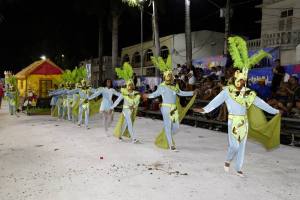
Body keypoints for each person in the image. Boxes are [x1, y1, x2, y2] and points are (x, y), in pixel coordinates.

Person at [194, 36, 281, 177]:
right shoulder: (227, 91)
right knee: (234, 146)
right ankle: (228, 160)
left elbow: (261, 103)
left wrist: (275, 110)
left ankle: (239, 168)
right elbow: (216, 101)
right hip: (232, 121)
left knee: (242, 147)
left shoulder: (249, 93)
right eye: (240, 80)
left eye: (244, 81)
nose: (242, 82)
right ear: (235, 79)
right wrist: (204, 109)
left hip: (244, 122)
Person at [143, 55, 197, 151]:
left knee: (176, 127)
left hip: (174, 108)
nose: (170, 76)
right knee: (168, 126)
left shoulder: (175, 85)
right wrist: (147, 96)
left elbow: (181, 93)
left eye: (171, 75)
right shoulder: (162, 86)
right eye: (168, 75)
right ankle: (171, 145)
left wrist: (192, 92)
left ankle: (165, 137)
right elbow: (155, 94)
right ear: (164, 76)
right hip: (166, 108)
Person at [111, 62, 141, 143]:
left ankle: (120, 135)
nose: (130, 86)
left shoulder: (135, 93)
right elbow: (117, 101)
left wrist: (133, 107)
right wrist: (112, 107)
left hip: (131, 110)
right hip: (125, 110)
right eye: (129, 85)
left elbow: (137, 102)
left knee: (126, 123)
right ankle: (133, 138)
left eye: (132, 85)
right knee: (129, 122)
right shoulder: (124, 93)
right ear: (127, 85)